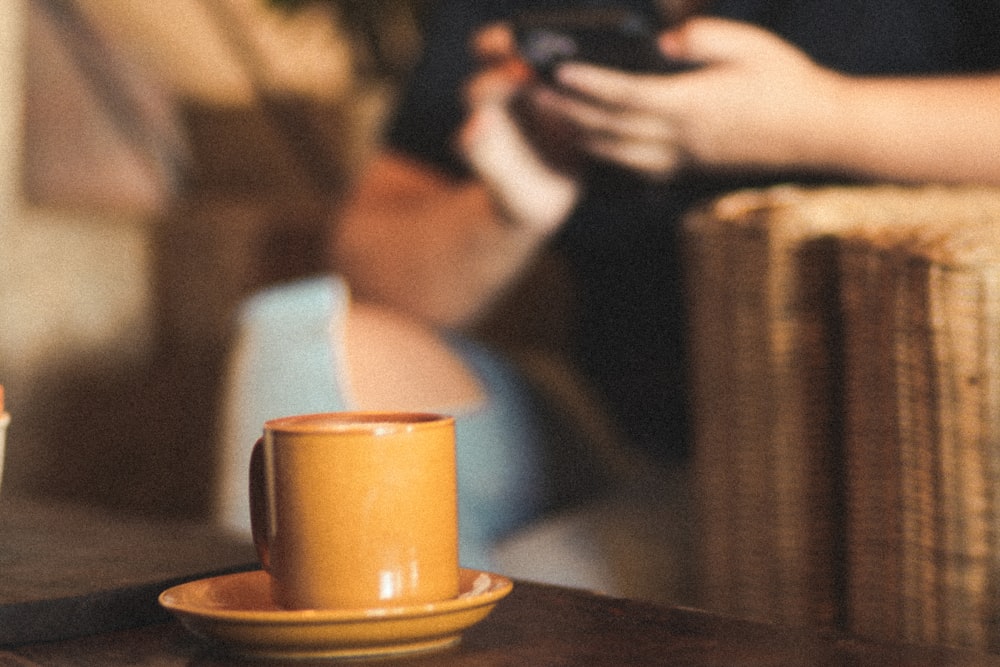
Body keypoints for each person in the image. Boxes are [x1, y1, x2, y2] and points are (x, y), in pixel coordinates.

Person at [219, 0, 1000, 598]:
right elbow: (369, 258)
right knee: (299, 333)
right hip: (621, 435)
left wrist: (812, 119)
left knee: (526, 583)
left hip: (858, 465)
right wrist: (509, 206)